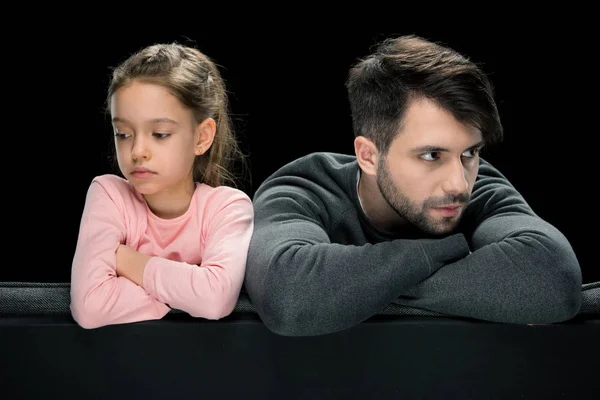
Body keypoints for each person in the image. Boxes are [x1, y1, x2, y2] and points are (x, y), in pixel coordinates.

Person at [244, 34, 582, 336]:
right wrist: (450, 252)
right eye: (432, 155)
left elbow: (554, 278)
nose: (459, 183)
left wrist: (359, 293)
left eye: (470, 152)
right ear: (368, 155)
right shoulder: (305, 189)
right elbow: (290, 296)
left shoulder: (480, 186)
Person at [70, 43, 254, 329]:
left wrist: (124, 259)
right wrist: (184, 293)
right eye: (123, 134)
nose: (137, 151)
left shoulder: (228, 208)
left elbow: (214, 300)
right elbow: (91, 308)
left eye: (160, 134)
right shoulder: (109, 194)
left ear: (202, 137)